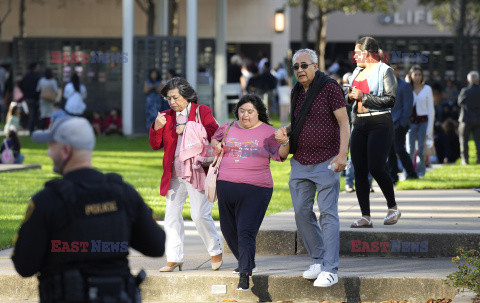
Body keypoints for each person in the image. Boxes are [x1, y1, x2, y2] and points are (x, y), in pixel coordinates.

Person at [11, 116, 166, 302]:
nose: (48, 153)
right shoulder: (123, 194)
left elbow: (24, 266)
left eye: (52, 146)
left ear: (66, 151)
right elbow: (156, 246)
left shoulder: (47, 201)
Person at [275, 48, 350, 287]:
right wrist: (286, 130)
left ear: (316, 66)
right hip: (300, 161)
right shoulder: (297, 89)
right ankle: (318, 260)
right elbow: (301, 122)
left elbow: (344, 122)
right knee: (300, 212)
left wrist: (342, 155)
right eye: (296, 66)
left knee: (328, 214)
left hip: (327, 160)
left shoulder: (330, 88)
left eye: (304, 65)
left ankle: (331, 269)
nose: (299, 70)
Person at [211, 94, 289, 291]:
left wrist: (285, 142)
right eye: (242, 111)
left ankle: (244, 275)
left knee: (245, 231)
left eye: (250, 112)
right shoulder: (228, 127)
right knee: (228, 230)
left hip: (256, 189)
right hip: (226, 187)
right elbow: (214, 139)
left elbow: (281, 155)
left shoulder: (269, 132)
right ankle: (247, 261)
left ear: (258, 113)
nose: (245, 115)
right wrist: (216, 145)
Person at [149, 77, 223, 272]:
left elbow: (214, 134)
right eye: (168, 98)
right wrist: (156, 127)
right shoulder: (164, 116)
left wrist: (188, 128)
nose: (172, 102)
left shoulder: (201, 111)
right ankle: (174, 258)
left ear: (186, 95)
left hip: (197, 171)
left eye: (175, 97)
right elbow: (155, 145)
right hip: (174, 174)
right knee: (171, 217)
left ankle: (215, 250)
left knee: (199, 215)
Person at [346, 37, 399, 228]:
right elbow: (349, 99)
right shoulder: (356, 72)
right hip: (358, 124)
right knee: (359, 170)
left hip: (380, 123)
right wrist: (349, 96)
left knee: (376, 166)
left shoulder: (385, 71)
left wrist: (364, 97)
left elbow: (390, 99)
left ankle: (392, 207)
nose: (354, 56)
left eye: (357, 52)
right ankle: (365, 216)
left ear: (367, 53)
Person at [387, 64, 418, 183]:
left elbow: (408, 107)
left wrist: (403, 122)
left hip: (400, 123)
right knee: (389, 151)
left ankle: (412, 173)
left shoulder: (405, 86)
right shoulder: (384, 85)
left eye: (395, 69)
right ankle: (393, 177)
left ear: (398, 71)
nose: (392, 71)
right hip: (387, 123)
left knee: (399, 148)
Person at [407, 65, 435, 177]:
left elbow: (431, 109)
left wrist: (430, 128)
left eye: (419, 74)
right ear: (411, 76)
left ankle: (421, 171)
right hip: (411, 122)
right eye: (415, 74)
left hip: (423, 121)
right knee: (410, 149)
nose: (417, 77)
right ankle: (409, 172)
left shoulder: (427, 89)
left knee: (421, 150)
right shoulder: (407, 88)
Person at [457, 71, 480, 165]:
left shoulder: (465, 91)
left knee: (463, 141)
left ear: (468, 80)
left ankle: (465, 160)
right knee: (478, 141)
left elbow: (459, 102)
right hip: (478, 119)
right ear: (478, 79)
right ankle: (479, 159)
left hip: (465, 119)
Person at [22, 62, 40, 134]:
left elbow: (22, 86)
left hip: (27, 98)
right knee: (33, 114)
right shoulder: (36, 77)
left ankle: (30, 127)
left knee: (30, 113)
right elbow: (38, 89)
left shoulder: (26, 77)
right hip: (33, 98)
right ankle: (31, 129)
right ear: (34, 68)